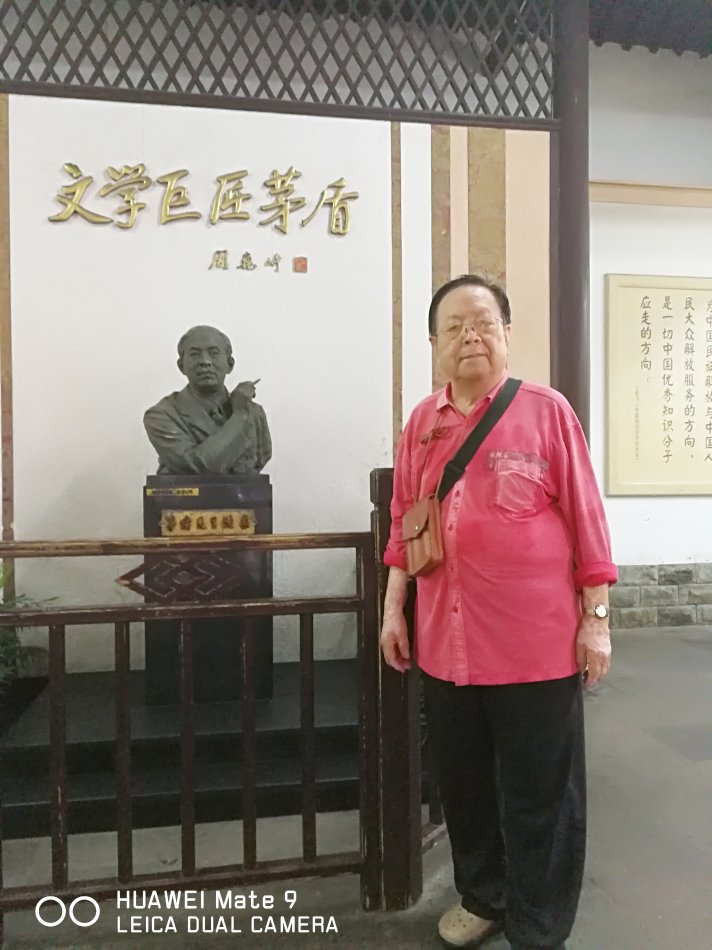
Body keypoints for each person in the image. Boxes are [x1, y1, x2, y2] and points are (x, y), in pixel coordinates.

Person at [380, 275, 617, 950]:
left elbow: (588, 520)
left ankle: (539, 922)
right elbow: (403, 521)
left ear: (507, 336)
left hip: (535, 647)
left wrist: (596, 619)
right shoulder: (422, 423)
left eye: (484, 323)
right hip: (444, 644)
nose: (470, 337)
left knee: (541, 791)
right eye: (454, 327)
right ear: (434, 344)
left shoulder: (546, 412)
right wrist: (394, 608)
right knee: (465, 786)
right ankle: (485, 896)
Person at [144, 325, 272, 476]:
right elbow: (195, 467)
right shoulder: (162, 415)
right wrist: (239, 416)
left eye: (214, 353)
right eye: (194, 354)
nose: (205, 361)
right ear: (181, 366)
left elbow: (261, 457)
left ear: (230, 364)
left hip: (245, 491)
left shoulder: (255, 414)